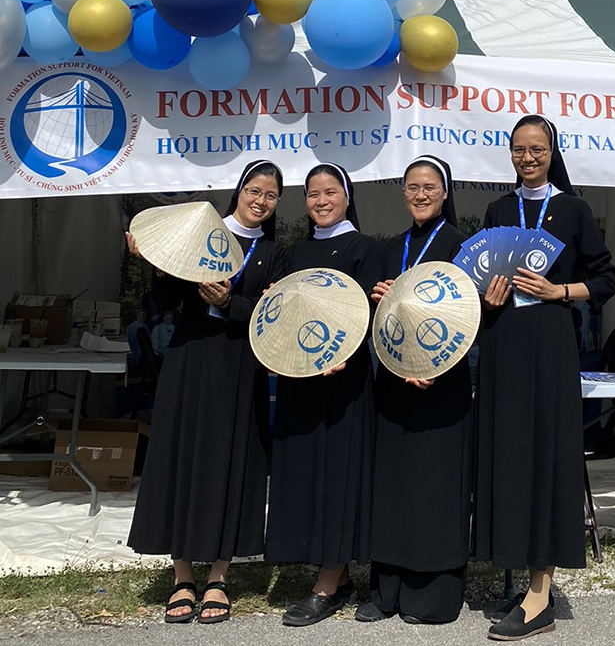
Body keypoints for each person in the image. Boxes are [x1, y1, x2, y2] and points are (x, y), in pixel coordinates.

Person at [476, 115, 615, 640]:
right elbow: (483, 274)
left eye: (537, 149)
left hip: (552, 347)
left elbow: (606, 278)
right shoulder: (496, 208)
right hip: (504, 345)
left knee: (548, 455)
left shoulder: (573, 209)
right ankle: (520, 567)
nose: (528, 158)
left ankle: (541, 591)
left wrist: (561, 291)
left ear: (552, 151)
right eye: (519, 149)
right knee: (512, 455)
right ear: (509, 153)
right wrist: (487, 294)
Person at [126, 160, 287, 624]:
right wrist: (153, 265)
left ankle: (218, 575)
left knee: (231, 460)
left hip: (241, 367)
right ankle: (182, 575)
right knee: (182, 456)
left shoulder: (273, 254)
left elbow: (270, 313)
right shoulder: (203, 232)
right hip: (190, 362)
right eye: (254, 190)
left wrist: (229, 304)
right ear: (239, 191)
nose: (261, 201)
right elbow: (162, 303)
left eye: (271, 195)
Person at [265, 163, 384, 627]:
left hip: (343, 381)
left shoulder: (364, 248)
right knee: (306, 475)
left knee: (338, 475)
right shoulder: (295, 252)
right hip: (299, 381)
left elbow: (368, 313)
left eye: (329, 192)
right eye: (312, 194)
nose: (320, 201)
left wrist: (345, 352)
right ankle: (324, 566)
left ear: (347, 197)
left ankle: (329, 582)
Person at [356, 156, 473, 625]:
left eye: (429, 187)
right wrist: (379, 298)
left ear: (444, 193)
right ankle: (387, 590)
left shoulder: (462, 246)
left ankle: (433, 594)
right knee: (394, 487)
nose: (420, 194)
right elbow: (376, 317)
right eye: (412, 187)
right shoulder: (392, 248)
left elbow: (471, 318)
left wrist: (438, 368)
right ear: (403, 193)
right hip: (395, 383)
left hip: (442, 385)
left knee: (435, 488)